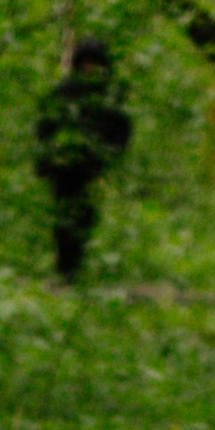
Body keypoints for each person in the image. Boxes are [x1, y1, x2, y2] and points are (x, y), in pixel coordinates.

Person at [33, 37, 134, 282]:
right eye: (86, 63)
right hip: (63, 167)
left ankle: (74, 268)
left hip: (91, 168)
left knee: (84, 218)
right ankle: (64, 268)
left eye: (95, 64)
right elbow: (45, 127)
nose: (90, 69)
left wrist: (110, 154)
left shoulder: (109, 95)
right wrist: (44, 161)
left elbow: (122, 129)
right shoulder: (64, 92)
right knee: (63, 219)